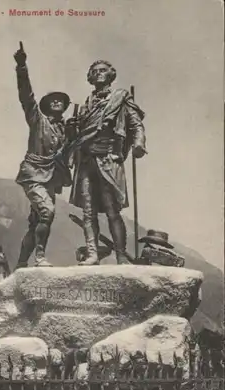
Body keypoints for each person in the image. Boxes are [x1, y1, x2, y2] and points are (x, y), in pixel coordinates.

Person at [64, 60, 147, 265]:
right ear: (90, 77)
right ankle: (92, 254)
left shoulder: (121, 98)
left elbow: (136, 124)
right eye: (94, 72)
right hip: (86, 161)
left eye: (103, 71)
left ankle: (120, 255)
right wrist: (72, 128)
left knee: (112, 209)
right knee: (88, 210)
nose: (98, 74)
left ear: (111, 75)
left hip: (109, 159)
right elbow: (78, 136)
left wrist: (138, 144)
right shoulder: (86, 105)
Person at [14, 42, 71, 268]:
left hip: (50, 178)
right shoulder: (38, 120)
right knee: (47, 212)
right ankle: (39, 257)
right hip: (33, 174)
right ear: (46, 106)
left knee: (36, 221)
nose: (58, 101)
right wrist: (22, 67)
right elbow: (26, 95)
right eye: (53, 100)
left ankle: (20, 263)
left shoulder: (66, 129)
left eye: (61, 100)